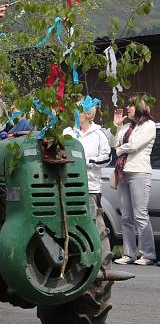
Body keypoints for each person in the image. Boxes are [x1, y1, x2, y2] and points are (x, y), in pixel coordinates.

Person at [62, 96, 112, 255]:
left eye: (79, 110)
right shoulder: (68, 132)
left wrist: (86, 162)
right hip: (68, 186)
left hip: (91, 188)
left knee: (95, 226)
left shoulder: (98, 134)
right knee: (69, 224)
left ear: (88, 115)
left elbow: (106, 157)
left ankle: (102, 262)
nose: (75, 113)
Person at [112, 95, 156, 265]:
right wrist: (116, 127)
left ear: (139, 108)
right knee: (126, 216)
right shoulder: (126, 127)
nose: (128, 108)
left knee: (140, 215)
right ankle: (129, 254)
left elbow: (134, 145)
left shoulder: (149, 125)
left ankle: (148, 255)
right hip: (123, 173)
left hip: (138, 172)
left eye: (131, 106)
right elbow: (113, 143)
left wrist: (119, 150)